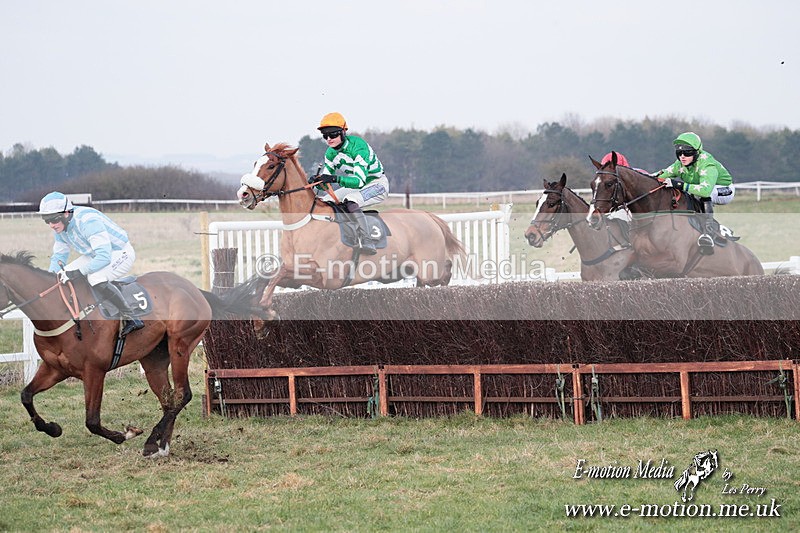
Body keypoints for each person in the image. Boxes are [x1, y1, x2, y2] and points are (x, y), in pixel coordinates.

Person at [39, 191, 144, 335]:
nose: (51, 225)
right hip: (95, 254)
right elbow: (59, 255)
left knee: (95, 278)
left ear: (66, 213)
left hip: (119, 253)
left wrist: (78, 272)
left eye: (54, 219)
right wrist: (50, 279)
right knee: (61, 275)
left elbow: (104, 257)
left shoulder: (88, 221)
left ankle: (132, 317)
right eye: (47, 220)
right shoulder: (60, 228)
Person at [313, 112, 390, 255]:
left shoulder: (358, 146)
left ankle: (367, 240)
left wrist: (335, 179)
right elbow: (326, 183)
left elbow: (359, 181)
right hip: (355, 186)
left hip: (376, 184)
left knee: (351, 200)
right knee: (325, 201)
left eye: (333, 134)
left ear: (343, 132)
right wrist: (317, 182)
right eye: (325, 135)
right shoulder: (330, 153)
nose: (329, 139)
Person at [656, 132, 734, 254]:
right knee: (688, 195)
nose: (682, 156)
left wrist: (678, 184)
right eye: (679, 153)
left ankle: (708, 233)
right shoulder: (679, 164)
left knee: (702, 195)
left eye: (687, 153)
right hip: (703, 189)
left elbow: (705, 190)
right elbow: (659, 176)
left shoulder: (707, 164)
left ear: (697, 153)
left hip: (724, 190)